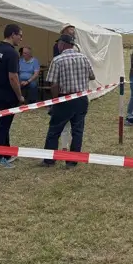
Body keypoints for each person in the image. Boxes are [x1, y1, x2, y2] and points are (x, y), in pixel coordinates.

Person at [40, 34, 95, 167]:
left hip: (65, 99)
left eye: (58, 43)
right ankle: (72, 161)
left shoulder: (57, 60)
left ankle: (49, 159)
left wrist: (55, 101)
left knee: (54, 130)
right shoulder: (84, 58)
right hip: (81, 98)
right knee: (77, 131)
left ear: (62, 44)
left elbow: (53, 84)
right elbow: (92, 76)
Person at [0, 24, 24, 168]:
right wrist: (20, 96)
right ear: (12, 34)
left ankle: (6, 153)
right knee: (3, 126)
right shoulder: (12, 53)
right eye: (20, 35)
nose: (21, 39)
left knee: (4, 124)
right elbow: (13, 77)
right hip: (7, 94)